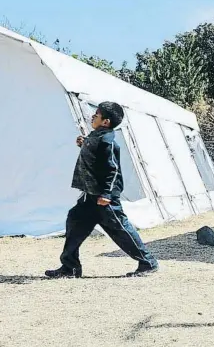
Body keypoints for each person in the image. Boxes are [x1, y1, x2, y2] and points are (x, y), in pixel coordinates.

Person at [45, 101, 159, 279]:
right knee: (74, 221)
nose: (92, 116)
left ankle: (148, 262)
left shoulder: (107, 141)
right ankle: (70, 267)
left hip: (104, 199)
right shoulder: (96, 136)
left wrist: (107, 195)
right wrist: (84, 143)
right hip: (90, 197)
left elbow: (112, 170)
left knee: (121, 231)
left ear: (106, 122)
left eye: (96, 115)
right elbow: (93, 150)